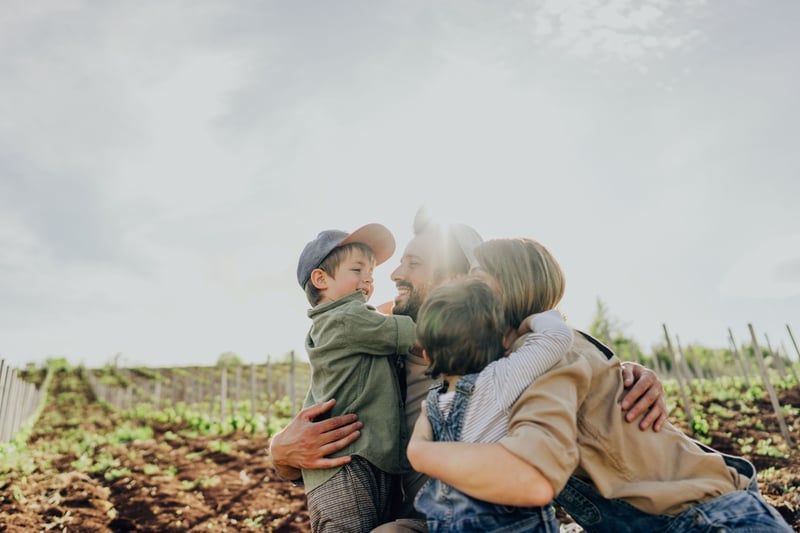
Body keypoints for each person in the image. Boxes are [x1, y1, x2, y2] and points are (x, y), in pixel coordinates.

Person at [269, 207, 669, 531]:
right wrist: (280, 452)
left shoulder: (509, 346)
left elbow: (562, 344)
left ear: (459, 279)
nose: (392, 275)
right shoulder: (379, 337)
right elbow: (327, 398)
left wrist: (623, 373)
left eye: (414, 263)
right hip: (412, 516)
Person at [407, 237, 793, 532]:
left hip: (705, 521)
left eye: (477, 275)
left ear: (510, 285)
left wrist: (422, 452)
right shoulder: (533, 357)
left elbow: (530, 471)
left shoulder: (544, 356)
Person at [413, 274, 572, 532]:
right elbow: (557, 336)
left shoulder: (433, 402)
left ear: (427, 354)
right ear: (503, 342)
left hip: (448, 522)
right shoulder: (499, 379)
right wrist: (530, 321)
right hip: (507, 521)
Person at [295, 223, 417, 532]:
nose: (368, 280)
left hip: (358, 458)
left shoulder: (339, 320)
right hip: (349, 462)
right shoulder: (347, 317)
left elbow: (381, 317)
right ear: (321, 279)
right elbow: (411, 332)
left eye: (371, 274)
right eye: (357, 270)